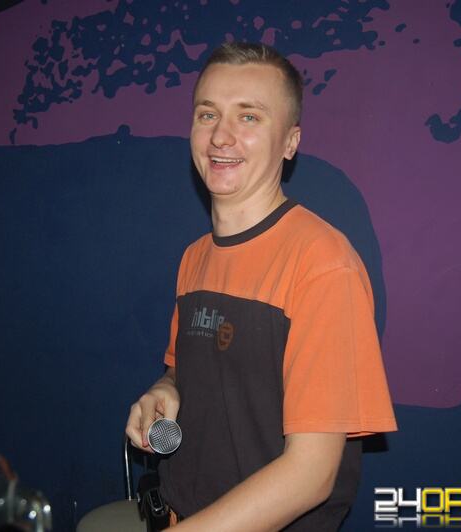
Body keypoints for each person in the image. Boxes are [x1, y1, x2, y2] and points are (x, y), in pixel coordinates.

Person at [125, 43, 397, 530]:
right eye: (208, 114)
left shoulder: (322, 263)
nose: (220, 136)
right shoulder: (195, 257)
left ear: (290, 142)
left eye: (248, 117)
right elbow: (181, 369)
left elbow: (310, 475)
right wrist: (164, 388)